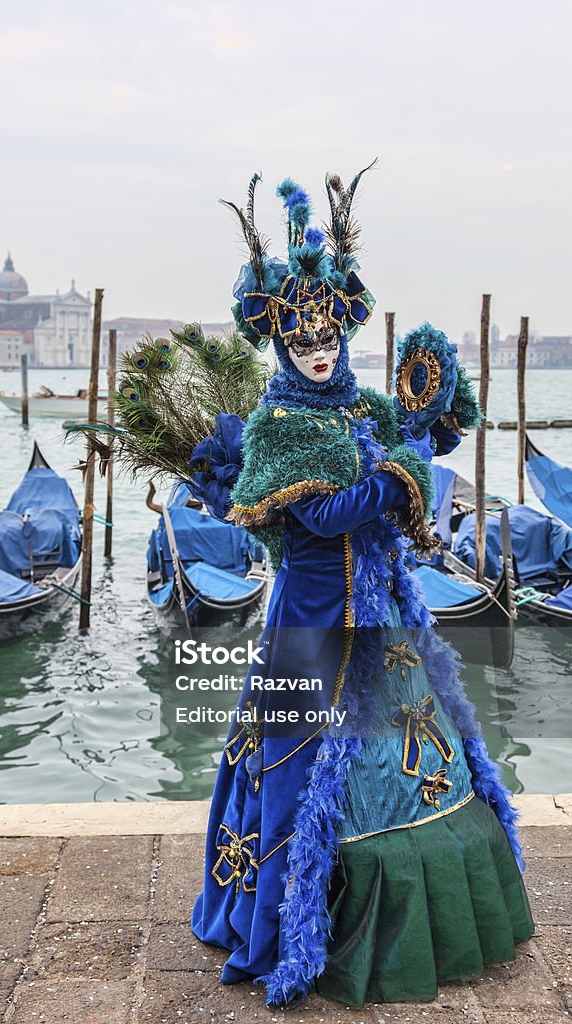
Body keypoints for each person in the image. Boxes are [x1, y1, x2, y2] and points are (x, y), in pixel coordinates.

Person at [190, 169, 533, 1008]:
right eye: (303, 344)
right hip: (311, 617)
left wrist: (435, 405)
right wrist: (398, 473)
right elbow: (327, 516)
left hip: (382, 610)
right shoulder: (277, 424)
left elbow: (433, 432)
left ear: (344, 337)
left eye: (330, 341)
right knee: (297, 767)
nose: (319, 352)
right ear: (280, 347)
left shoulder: (359, 408)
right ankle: (288, 928)